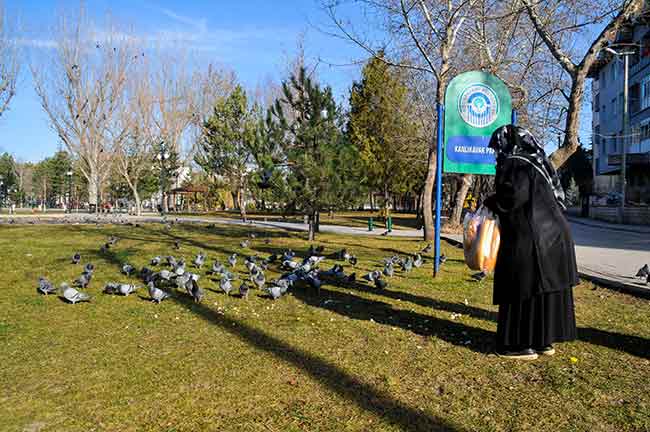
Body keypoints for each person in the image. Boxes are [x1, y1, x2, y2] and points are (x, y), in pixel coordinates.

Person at [483, 125, 579, 360]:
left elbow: (513, 196)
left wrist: (490, 202)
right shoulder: (538, 161)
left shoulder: (514, 162)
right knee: (542, 290)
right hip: (555, 236)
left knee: (521, 287)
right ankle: (542, 341)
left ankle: (517, 344)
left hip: (532, 238)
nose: (497, 153)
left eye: (498, 148)